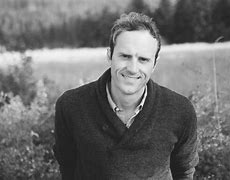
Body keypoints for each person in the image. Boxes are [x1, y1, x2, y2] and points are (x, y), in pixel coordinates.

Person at [53, 12, 199, 180]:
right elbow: (67, 166)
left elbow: (184, 172)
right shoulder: (71, 106)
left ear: (155, 64)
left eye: (143, 59)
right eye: (125, 56)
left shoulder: (180, 110)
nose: (132, 68)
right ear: (110, 55)